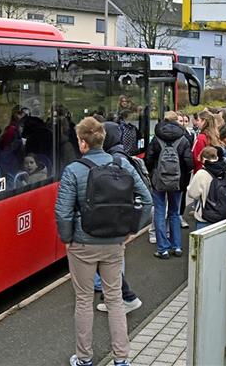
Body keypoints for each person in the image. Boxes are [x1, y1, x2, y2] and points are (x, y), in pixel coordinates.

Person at [55, 117, 152, 366]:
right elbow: (147, 200)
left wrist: (67, 239)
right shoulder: (121, 164)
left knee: (84, 301)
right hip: (114, 243)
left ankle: (85, 358)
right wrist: (132, 230)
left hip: (82, 244)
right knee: (114, 300)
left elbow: (63, 212)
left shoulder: (73, 170)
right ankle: (121, 359)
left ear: (83, 142)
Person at [93, 121, 145, 314]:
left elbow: (144, 197)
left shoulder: (115, 159)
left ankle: (124, 298)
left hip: (115, 219)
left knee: (111, 260)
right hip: (120, 217)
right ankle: (114, 297)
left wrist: (133, 228)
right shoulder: (121, 155)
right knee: (112, 259)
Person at [146, 111, 193, 259]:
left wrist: (153, 173)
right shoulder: (184, 139)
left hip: (158, 181)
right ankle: (177, 246)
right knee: (174, 213)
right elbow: (189, 163)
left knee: (160, 212)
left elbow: (148, 159)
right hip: (177, 182)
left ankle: (162, 249)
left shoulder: (156, 139)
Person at [186, 147, 226, 230]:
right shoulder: (224, 172)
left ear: (203, 159)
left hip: (205, 215)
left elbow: (192, 194)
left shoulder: (202, 174)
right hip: (223, 214)